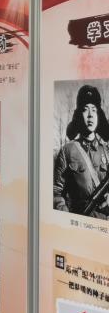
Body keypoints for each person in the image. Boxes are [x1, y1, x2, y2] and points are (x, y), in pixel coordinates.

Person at [53, 85, 109, 218]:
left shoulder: (106, 151)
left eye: (94, 110)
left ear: (98, 115)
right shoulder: (67, 151)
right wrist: (65, 217)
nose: (90, 115)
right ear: (79, 115)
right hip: (78, 220)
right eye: (85, 109)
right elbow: (56, 192)